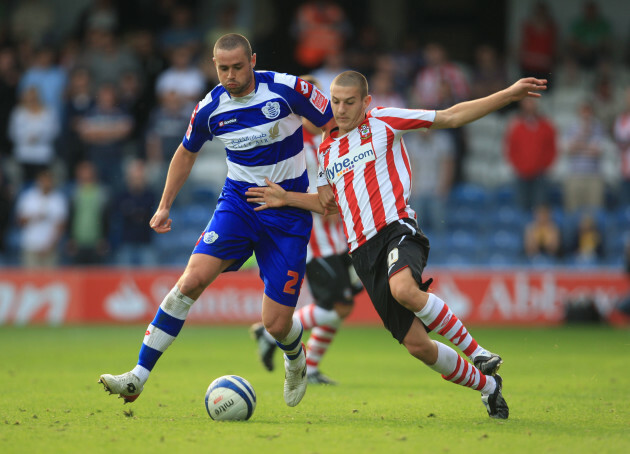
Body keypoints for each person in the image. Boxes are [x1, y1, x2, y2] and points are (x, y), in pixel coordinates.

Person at [246, 71, 548, 419]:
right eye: (336, 102)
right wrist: (286, 198)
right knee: (418, 346)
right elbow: (327, 206)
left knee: (404, 288)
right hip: (361, 252)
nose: (341, 110)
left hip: (397, 228)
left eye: (349, 102)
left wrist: (508, 94)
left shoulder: (384, 121)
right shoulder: (327, 153)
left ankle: (477, 351)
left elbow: (450, 116)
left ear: (366, 102)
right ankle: (489, 387)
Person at [98, 34, 335, 408]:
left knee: (275, 324)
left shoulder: (288, 89)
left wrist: (324, 181)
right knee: (189, 282)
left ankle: (295, 356)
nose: (231, 75)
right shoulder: (211, 108)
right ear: (214, 66)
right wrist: (163, 206)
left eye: (238, 67)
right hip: (238, 205)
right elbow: (185, 152)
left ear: (253, 61)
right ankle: (138, 376)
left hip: (287, 214)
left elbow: (334, 126)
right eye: (223, 68)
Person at [250, 75, 362, 385]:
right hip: (315, 237)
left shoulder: (331, 140)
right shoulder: (294, 143)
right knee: (338, 305)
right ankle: (270, 332)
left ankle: (309, 367)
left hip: (341, 235)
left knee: (344, 304)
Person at [504, 97, 557, 212]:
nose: (530, 105)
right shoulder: (516, 127)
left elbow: (552, 148)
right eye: (527, 101)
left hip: (540, 175)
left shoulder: (546, 126)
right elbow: (511, 149)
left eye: (532, 101)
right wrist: (519, 166)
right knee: (521, 207)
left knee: (540, 209)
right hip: (521, 175)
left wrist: (544, 166)